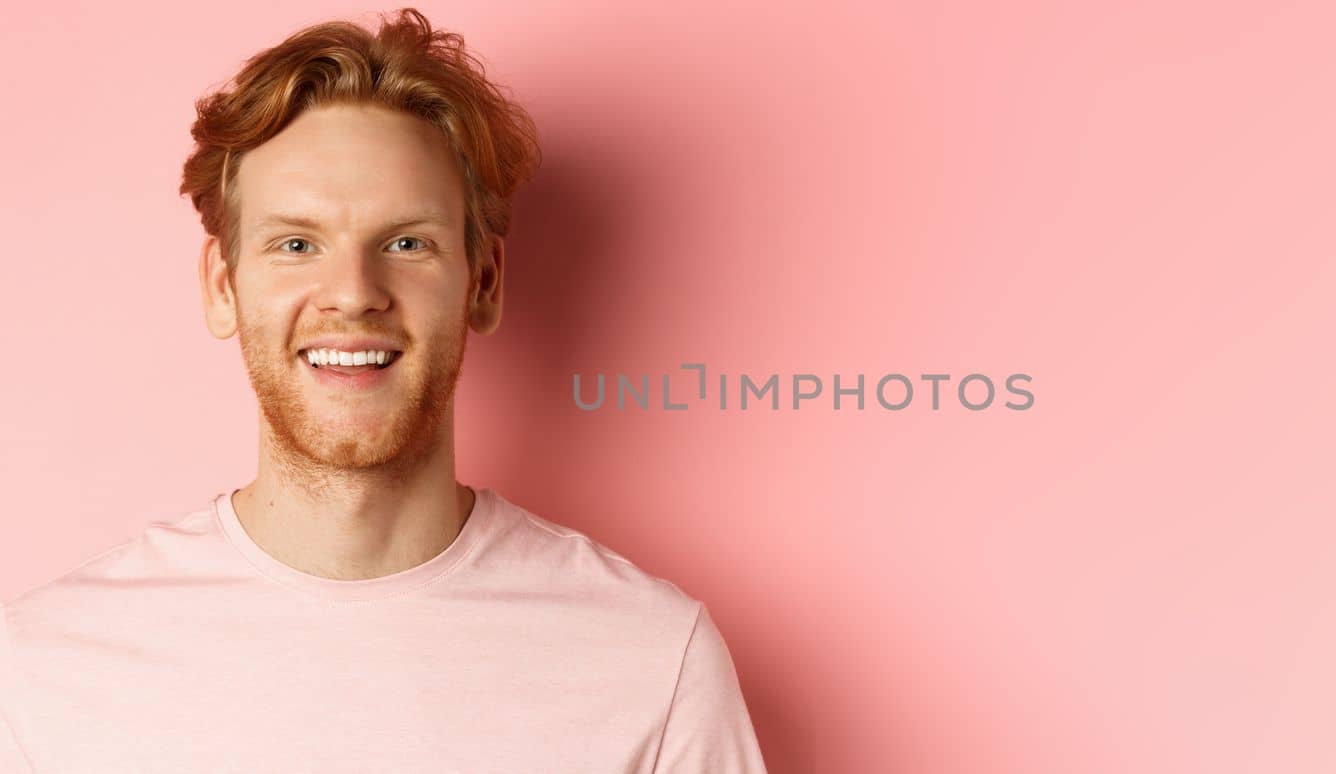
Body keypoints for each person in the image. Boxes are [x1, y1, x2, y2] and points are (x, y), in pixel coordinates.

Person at [0, 8, 767, 772]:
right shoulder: (42, 673)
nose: (354, 292)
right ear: (223, 285)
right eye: (296, 244)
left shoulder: (651, 662)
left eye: (407, 243)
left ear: (484, 282)